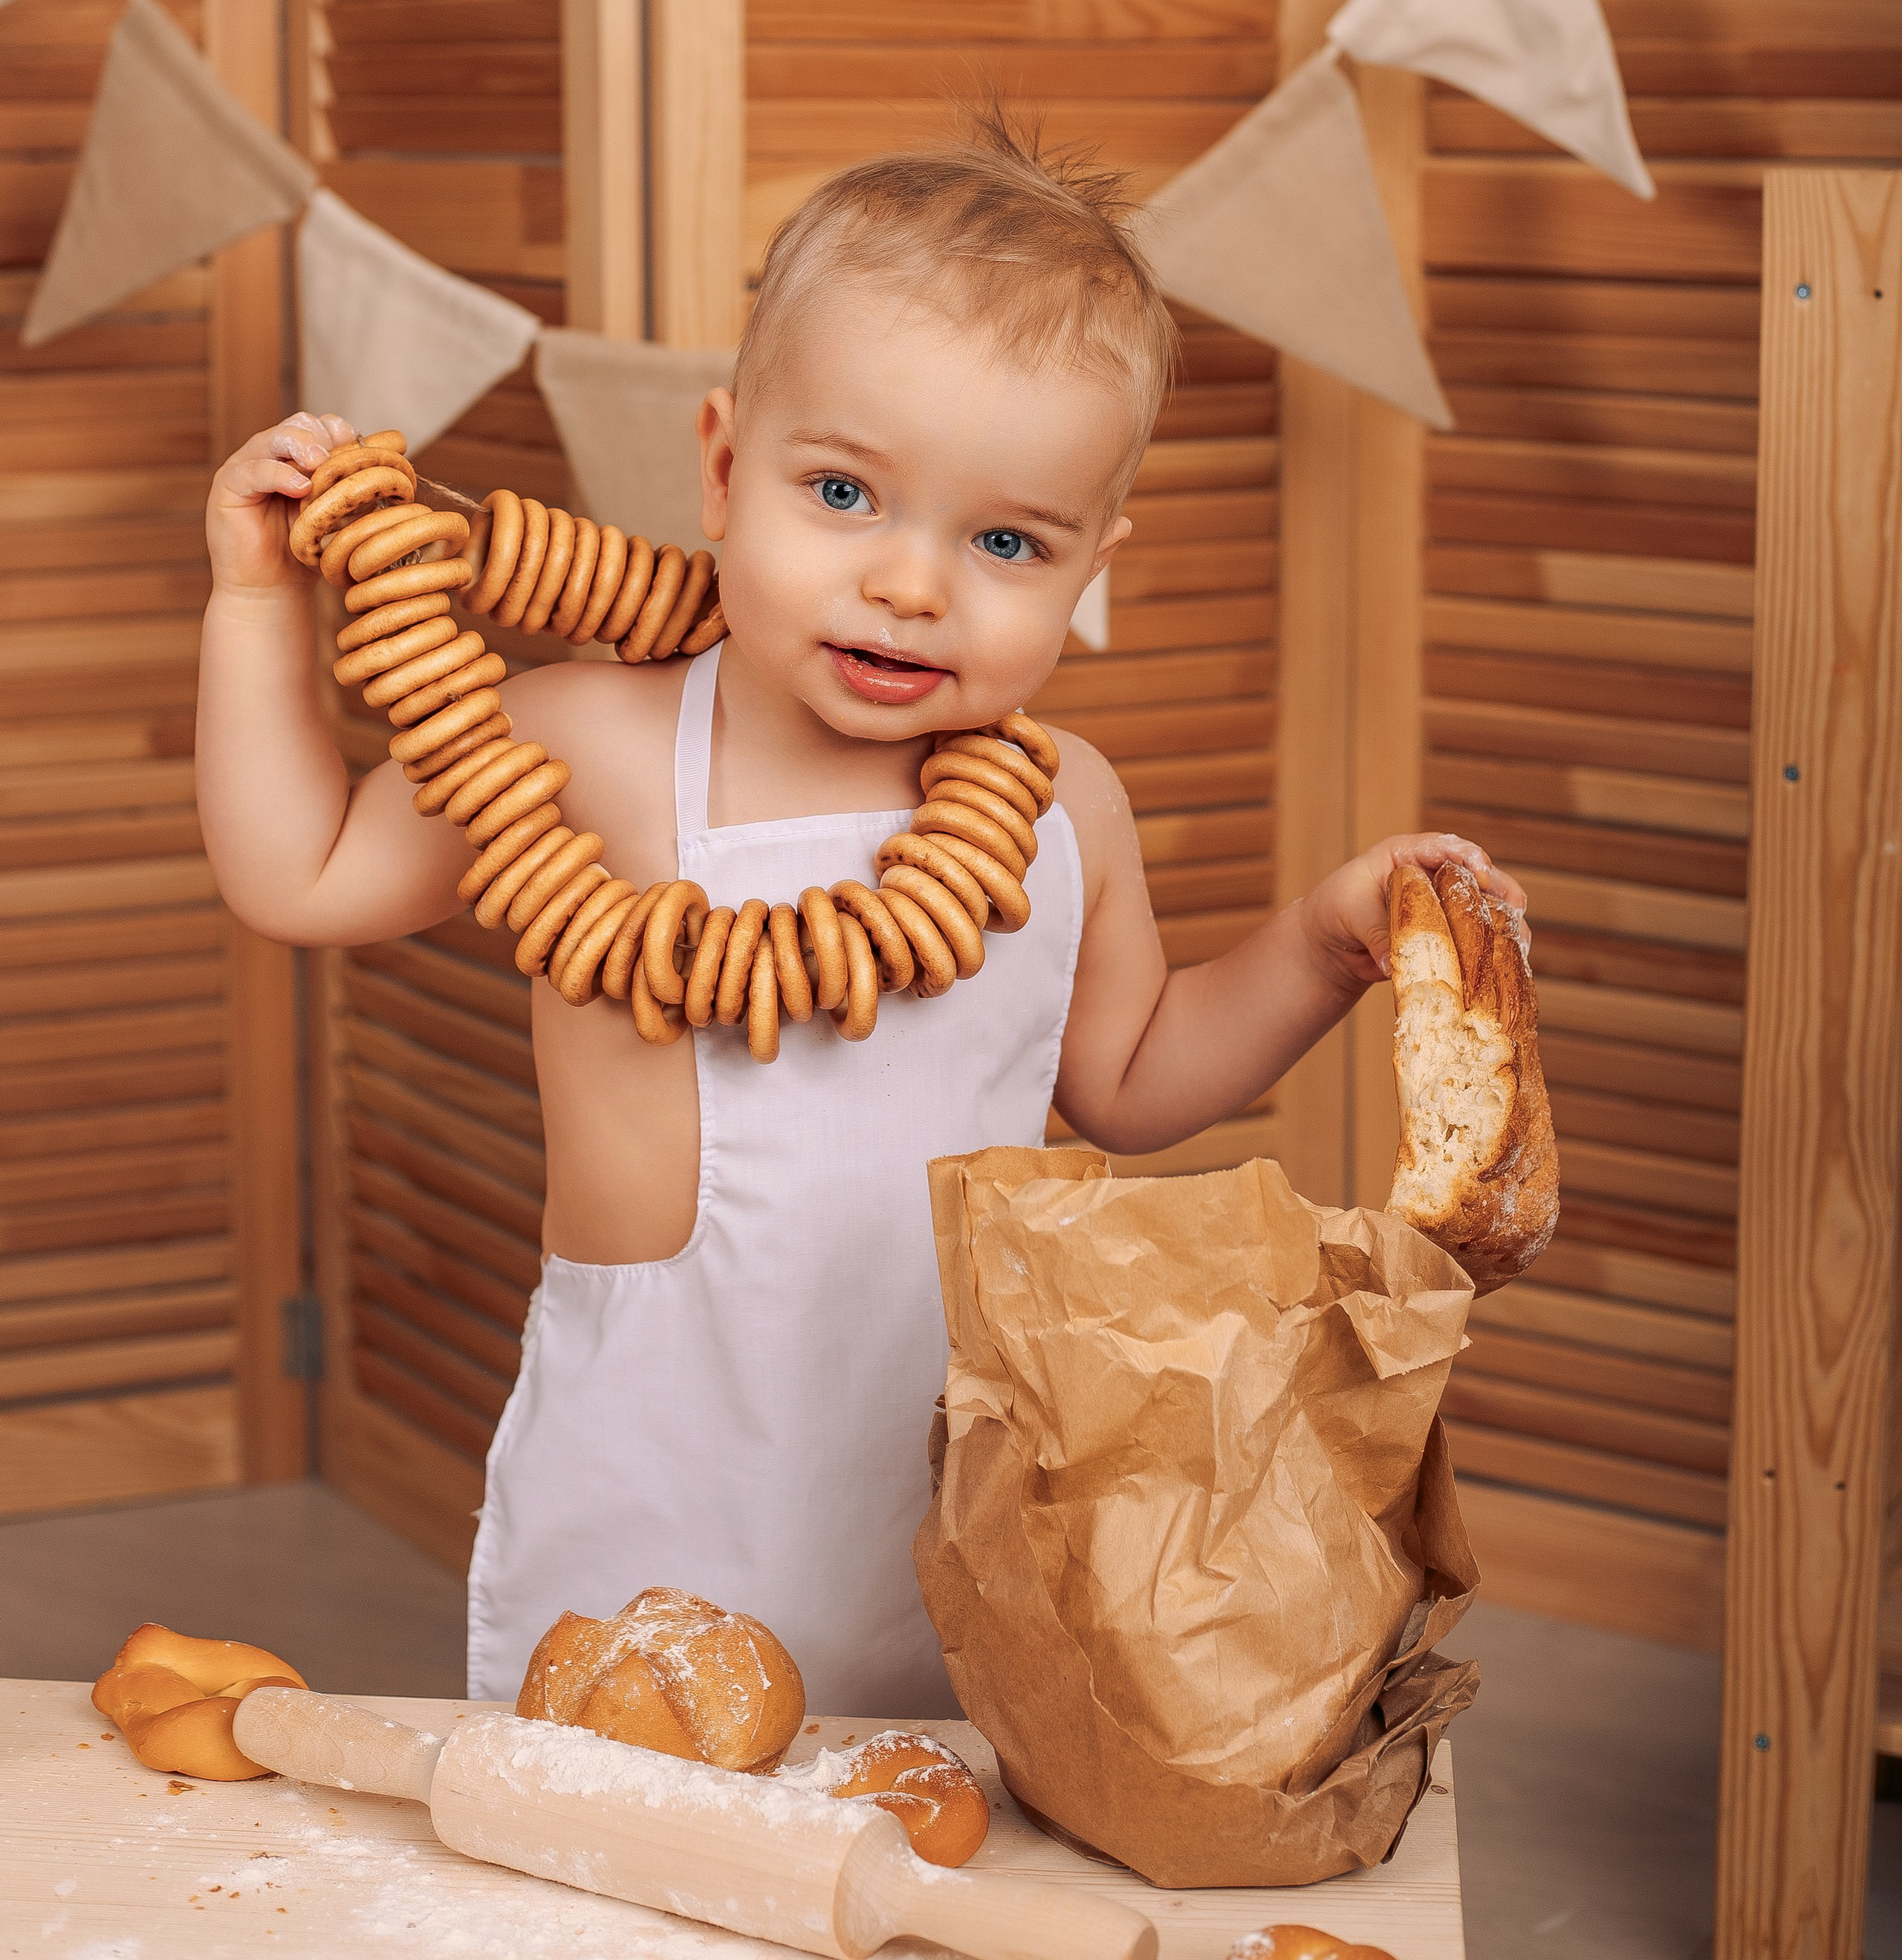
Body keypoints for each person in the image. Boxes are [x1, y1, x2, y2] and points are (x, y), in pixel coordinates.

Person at [196, 124, 1524, 1711]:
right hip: (659, 1463)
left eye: (1005, 542)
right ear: (719, 467)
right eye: (841, 493)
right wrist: (257, 601)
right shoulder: (588, 743)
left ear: (1094, 567)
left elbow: (1132, 1082)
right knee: (624, 1847)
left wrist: (1319, 942)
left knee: (914, 1854)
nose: (910, 584)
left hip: (956, 1468)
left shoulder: (1060, 806)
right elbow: (301, 874)